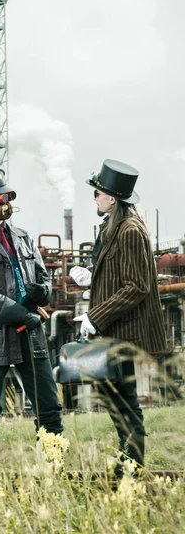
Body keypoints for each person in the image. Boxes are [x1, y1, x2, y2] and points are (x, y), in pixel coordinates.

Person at [0, 169, 63, 465]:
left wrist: (41, 291)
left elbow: (45, 278)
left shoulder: (23, 237)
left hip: (30, 332)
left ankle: (54, 462)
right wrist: (20, 314)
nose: (7, 202)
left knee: (48, 403)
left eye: (10, 196)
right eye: (0, 197)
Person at [70, 159, 167, 472]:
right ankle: (128, 459)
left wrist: (94, 317)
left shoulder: (130, 231)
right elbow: (116, 273)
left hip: (125, 331)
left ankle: (132, 464)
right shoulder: (112, 225)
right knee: (116, 396)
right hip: (115, 330)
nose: (94, 197)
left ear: (111, 197)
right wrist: (91, 276)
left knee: (124, 399)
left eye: (97, 192)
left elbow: (136, 285)